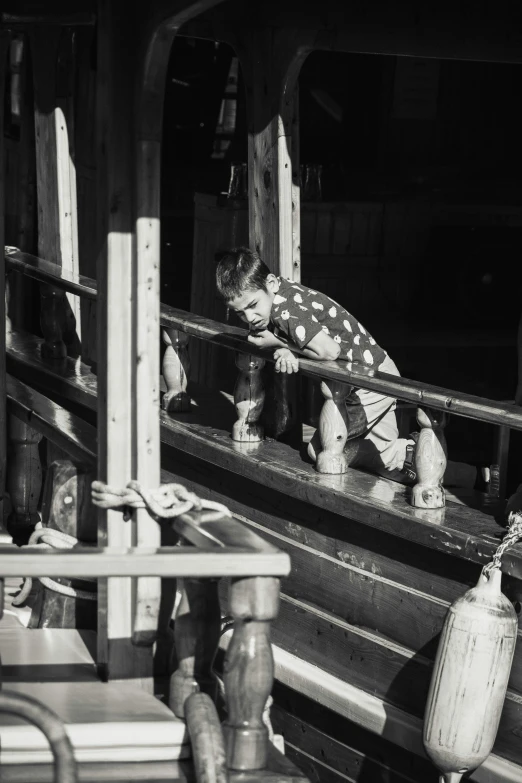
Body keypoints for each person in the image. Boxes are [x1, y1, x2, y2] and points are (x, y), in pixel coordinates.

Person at [215, 246, 416, 481]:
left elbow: (330, 350)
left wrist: (278, 342)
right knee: (389, 465)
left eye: (252, 306)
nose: (250, 318)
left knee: (320, 451)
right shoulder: (283, 296)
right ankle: (458, 473)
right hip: (375, 372)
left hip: (368, 383)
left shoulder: (285, 309)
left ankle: (412, 452)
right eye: (240, 313)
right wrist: (285, 347)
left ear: (270, 283)